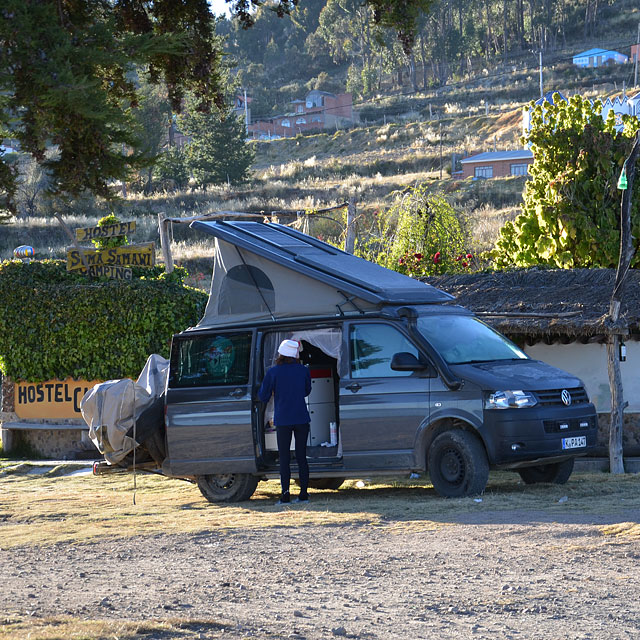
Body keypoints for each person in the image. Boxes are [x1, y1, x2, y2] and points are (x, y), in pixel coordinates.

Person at [259, 339, 312, 504]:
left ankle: (285, 495)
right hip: (302, 417)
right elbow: (306, 391)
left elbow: (263, 396)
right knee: (302, 457)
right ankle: (303, 494)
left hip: (283, 419)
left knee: (284, 458)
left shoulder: (273, 372)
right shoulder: (303, 370)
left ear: (280, 354)